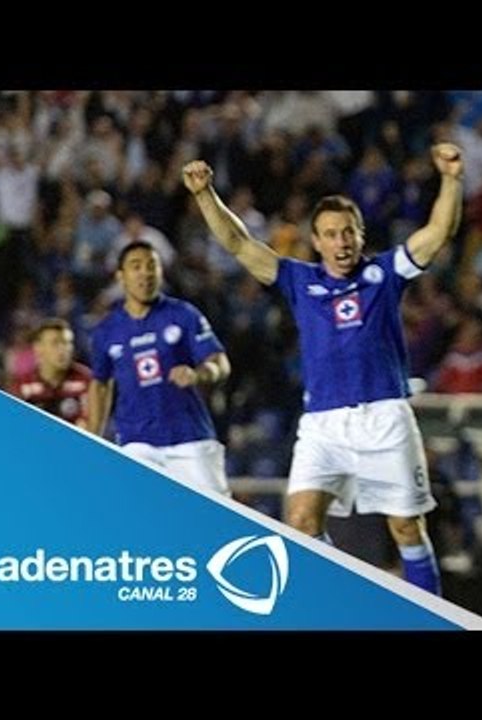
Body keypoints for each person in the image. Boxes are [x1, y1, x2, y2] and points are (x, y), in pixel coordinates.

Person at [181, 142, 464, 595]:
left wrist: (451, 178)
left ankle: (432, 618)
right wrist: (204, 195)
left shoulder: (385, 274)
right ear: (316, 242)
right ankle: (344, 605)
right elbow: (238, 243)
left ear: (361, 234)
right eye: (331, 234)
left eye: (348, 232)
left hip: (385, 416)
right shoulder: (299, 280)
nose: (341, 242)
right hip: (323, 423)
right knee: (299, 522)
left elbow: (438, 231)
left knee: (407, 530)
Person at [87, 241, 232, 496]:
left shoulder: (184, 314)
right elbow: (100, 384)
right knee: (141, 521)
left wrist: (198, 374)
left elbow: (220, 363)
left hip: (190, 437)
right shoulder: (106, 331)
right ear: (120, 276)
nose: (145, 272)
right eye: (136, 266)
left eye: (152, 265)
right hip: (137, 442)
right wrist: (91, 441)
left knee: (219, 522)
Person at [10, 317, 92, 428]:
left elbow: (90, 427)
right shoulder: (22, 385)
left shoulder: (86, 380)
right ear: (38, 348)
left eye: (67, 343)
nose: (63, 349)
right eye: (55, 343)